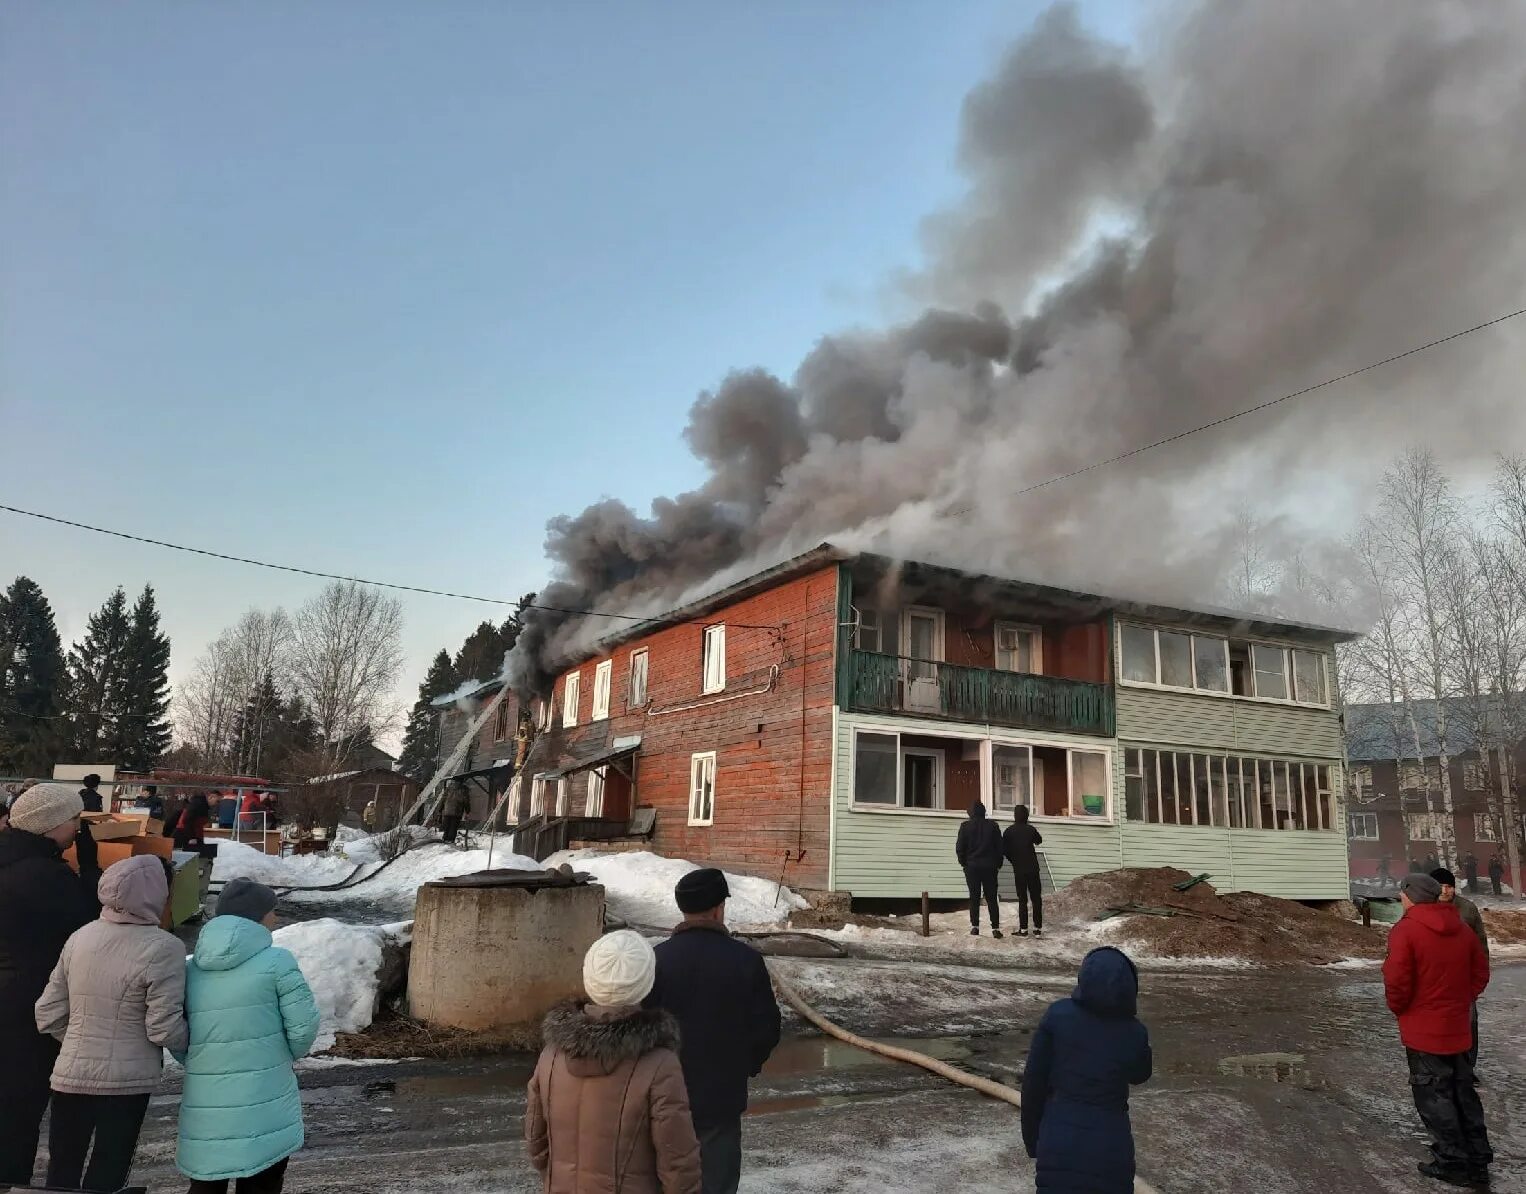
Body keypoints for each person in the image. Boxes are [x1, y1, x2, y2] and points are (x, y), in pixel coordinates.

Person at [35, 854, 188, 1193]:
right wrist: (197, 1046)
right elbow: (163, 1028)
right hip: (126, 1085)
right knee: (108, 1172)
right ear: (156, 894)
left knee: (61, 1171)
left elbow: (47, 1012)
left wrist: (78, 1040)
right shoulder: (165, 948)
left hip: (69, 1076)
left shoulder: (80, 937)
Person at [527, 931, 702, 1193]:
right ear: (646, 982)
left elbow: (536, 1141)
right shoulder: (659, 1064)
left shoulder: (551, 1056)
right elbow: (677, 1161)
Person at [177, 877, 320, 1193]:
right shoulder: (277, 962)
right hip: (265, 1096)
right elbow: (304, 1027)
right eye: (272, 911)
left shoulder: (191, 969)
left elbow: (177, 1030)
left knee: (206, 1184)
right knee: (261, 1181)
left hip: (206, 1099)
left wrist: (198, 1057)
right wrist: (278, 1054)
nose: (276, 917)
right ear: (258, 916)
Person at [646, 868, 781, 1194]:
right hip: (721, 1097)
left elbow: (640, 1027)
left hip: (664, 1096)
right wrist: (744, 1065)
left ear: (683, 908)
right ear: (719, 908)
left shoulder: (656, 959)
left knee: (665, 1179)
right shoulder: (746, 960)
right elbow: (767, 1028)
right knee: (717, 1182)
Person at [0, 783, 101, 1186]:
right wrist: (91, 869)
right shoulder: (43, 874)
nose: (78, 828)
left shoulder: (11, 860)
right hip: (27, 1004)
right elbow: (89, 924)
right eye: (75, 820)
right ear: (53, 824)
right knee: (18, 1111)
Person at [1383, 873, 1491, 1186]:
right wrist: (1461, 999)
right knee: (1462, 1091)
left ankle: (1454, 1162)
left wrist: (1401, 1009)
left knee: (1434, 1095)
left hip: (1423, 1029)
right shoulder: (1460, 927)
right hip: (1457, 1028)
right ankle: (1477, 1156)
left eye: (1403, 894)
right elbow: (1480, 970)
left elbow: (1397, 981)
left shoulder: (1406, 930)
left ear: (1411, 896)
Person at [1021, 947, 1152, 1193]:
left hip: (1059, 1146)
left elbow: (1033, 1083)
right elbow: (1141, 1074)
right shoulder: (1135, 1032)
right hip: (1112, 1150)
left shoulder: (1057, 1016)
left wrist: (1033, 1140)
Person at [1432, 867, 1489, 1070]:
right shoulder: (1423, 910)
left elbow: (1481, 946)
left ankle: (1467, 1068)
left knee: (1468, 1023)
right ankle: (1441, 1067)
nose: (1445, 891)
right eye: (1441, 887)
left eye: (1449, 887)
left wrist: (1478, 981)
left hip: (1464, 981)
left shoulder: (1467, 909)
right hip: (1435, 980)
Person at [956, 799, 1004, 938]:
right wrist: (998, 864)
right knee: (991, 898)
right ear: (983, 812)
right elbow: (999, 847)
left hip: (972, 867)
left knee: (974, 897)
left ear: (970, 812)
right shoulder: (993, 826)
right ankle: (995, 928)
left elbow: (960, 848)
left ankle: (975, 927)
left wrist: (964, 864)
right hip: (990, 867)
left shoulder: (965, 826)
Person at [1003, 805, 1045, 938]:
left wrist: (1013, 860)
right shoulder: (1030, 829)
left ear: (1015, 815)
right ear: (1026, 815)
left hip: (1019, 869)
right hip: (1033, 868)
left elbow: (1005, 850)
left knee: (1022, 899)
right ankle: (1037, 929)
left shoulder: (1009, 831)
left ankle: (1024, 930)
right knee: (1036, 898)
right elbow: (1039, 841)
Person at [440, 780, 470, 845]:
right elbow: (466, 801)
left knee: (447, 825)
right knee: (454, 826)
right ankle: (450, 840)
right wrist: (467, 811)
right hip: (457, 811)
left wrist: (440, 809)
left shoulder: (449, 788)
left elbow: (443, 799)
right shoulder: (463, 789)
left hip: (447, 810)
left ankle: (445, 838)